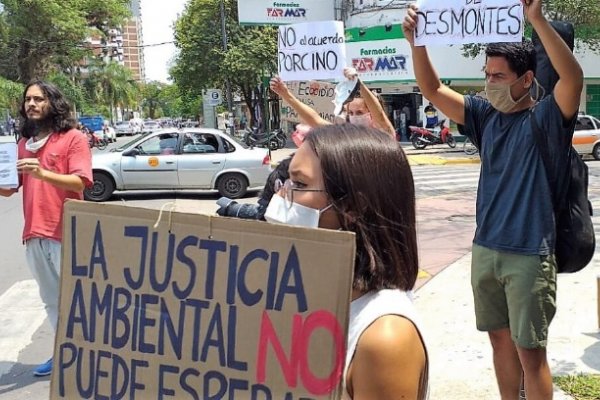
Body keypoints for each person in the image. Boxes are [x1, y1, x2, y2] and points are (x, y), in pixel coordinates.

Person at [403, 0, 583, 398]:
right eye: (487, 75)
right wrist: (417, 43)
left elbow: (573, 77)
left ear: (526, 80)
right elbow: (432, 89)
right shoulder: (487, 118)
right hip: (485, 250)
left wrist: (535, 19)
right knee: (499, 343)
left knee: (530, 352)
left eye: (499, 76)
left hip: (529, 254)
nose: (490, 84)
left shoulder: (548, 119)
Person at [263, 124, 428, 399]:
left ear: (352, 207)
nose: (281, 195)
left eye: (300, 184)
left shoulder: (384, 336)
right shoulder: (311, 297)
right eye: (285, 182)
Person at [0, 81, 92, 377]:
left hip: (66, 232)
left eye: (38, 99)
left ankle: (92, 357)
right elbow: (11, 188)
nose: (31, 104)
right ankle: (63, 353)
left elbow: (80, 182)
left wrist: (43, 172)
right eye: (28, 99)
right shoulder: (23, 143)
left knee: (77, 299)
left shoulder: (73, 138)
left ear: (52, 103)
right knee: (51, 301)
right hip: (34, 235)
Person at [270, 68, 396, 138]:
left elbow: (380, 116)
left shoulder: (384, 134)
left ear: (371, 113)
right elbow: (315, 120)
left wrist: (359, 84)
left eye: (359, 112)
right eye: (350, 112)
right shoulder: (346, 136)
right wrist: (286, 95)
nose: (354, 116)